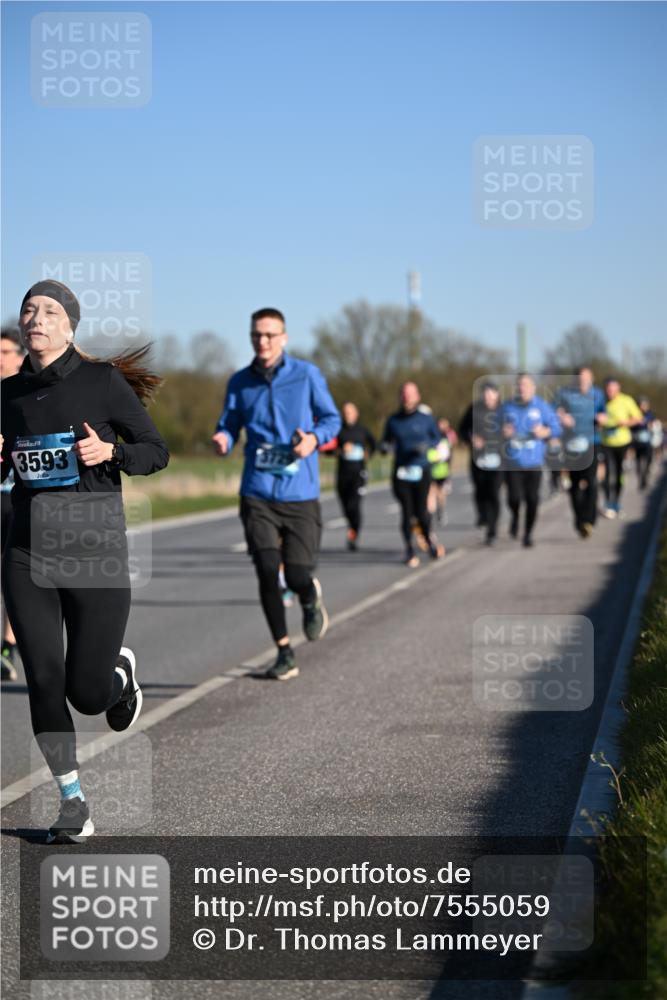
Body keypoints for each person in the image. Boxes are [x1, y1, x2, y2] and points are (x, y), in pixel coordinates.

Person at [1, 280, 169, 843]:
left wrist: (111, 453)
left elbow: (156, 451)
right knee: (44, 679)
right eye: (29, 310)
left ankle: (118, 676)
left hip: (95, 552)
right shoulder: (8, 394)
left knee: (87, 693)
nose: (37, 317)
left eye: (49, 310)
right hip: (28, 553)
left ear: (70, 326)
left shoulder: (102, 382)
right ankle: (72, 801)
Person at [212, 307, 340, 681]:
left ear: (284, 338)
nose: (262, 341)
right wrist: (223, 437)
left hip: (300, 492)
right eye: (256, 335)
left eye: (270, 335)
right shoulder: (240, 382)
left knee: (297, 572)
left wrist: (313, 439)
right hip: (258, 492)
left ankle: (309, 595)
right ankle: (285, 652)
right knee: (268, 571)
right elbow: (229, 422)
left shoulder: (306, 375)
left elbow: (332, 419)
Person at [381, 382, 445, 568]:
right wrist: (385, 447)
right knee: (407, 512)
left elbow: (438, 439)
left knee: (422, 513)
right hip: (402, 472)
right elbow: (385, 441)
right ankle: (409, 549)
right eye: (404, 394)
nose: (407, 397)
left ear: (417, 396)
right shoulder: (393, 420)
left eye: (410, 394)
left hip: (421, 470)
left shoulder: (426, 419)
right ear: (400, 397)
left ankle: (428, 540)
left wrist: (426, 447)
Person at [500, 373, 561, 548]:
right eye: (519, 385)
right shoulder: (507, 407)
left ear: (533, 388)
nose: (522, 389)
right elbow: (495, 427)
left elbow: (556, 428)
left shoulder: (542, 406)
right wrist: (503, 432)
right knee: (514, 498)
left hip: (534, 463)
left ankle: (528, 534)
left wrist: (545, 432)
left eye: (526, 385)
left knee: (532, 499)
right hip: (513, 462)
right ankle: (515, 517)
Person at [554, 366, 606, 538]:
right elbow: (552, 411)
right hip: (572, 444)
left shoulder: (598, 394)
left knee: (591, 481)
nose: (584, 382)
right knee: (575, 483)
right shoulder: (564, 393)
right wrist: (562, 417)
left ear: (592, 379)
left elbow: (603, 412)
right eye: (581, 379)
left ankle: (589, 519)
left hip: (592, 442)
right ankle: (579, 519)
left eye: (587, 379)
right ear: (575, 379)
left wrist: (602, 418)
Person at [1, 328, 25, 680]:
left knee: (16, 575)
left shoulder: (30, 395)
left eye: (6, 352)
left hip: (21, 497)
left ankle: (7, 647)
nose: (0, 359)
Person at [333, 402, 376, 551]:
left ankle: (354, 533)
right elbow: (329, 450)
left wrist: (367, 453)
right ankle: (352, 527)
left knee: (354, 505)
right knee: (346, 507)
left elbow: (374, 445)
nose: (348, 415)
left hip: (359, 474)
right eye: (345, 413)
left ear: (356, 414)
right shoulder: (338, 431)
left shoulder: (363, 430)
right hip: (342, 474)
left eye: (350, 412)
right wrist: (340, 450)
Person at [598, 377, 642, 517]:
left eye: (612, 389)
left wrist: (625, 422)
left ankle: (616, 501)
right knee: (607, 473)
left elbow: (638, 418)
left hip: (622, 443)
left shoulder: (626, 400)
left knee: (618, 474)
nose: (610, 392)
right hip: (605, 443)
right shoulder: (601, 401)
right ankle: (607, 502)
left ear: (618, 388)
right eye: (608, 389)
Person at [466, 382, 504, 545]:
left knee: (494, 493)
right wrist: (471, 439)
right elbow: (463, 429)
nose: (488, 397)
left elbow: (513, 430)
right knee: (480, 491)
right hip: (478, 459)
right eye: (485, 394)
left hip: (498, 459)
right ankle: (482, 515)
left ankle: (492, 530)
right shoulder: (474, 409)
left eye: (491, 394)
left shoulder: (505, 411)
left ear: (497, 395)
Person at [427, 418, 456, 524]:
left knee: (441, 493)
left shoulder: (445, 440)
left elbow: (447, 455)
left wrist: (439, 459)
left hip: (442, 471)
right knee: (431, 492)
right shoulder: (428, 439)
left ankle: (441, 510)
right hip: (430, 471)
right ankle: (430, 514)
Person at [633, 397, 656, 491]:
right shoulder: (635, 414)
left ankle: (645, 476)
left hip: (647, 443)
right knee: (638, 462)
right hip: (638, 442)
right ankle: (640, 479)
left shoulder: (650, 414)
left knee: (648, 460)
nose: (644, 406)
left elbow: (652, 425)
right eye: (642, 404)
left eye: (646, 405)